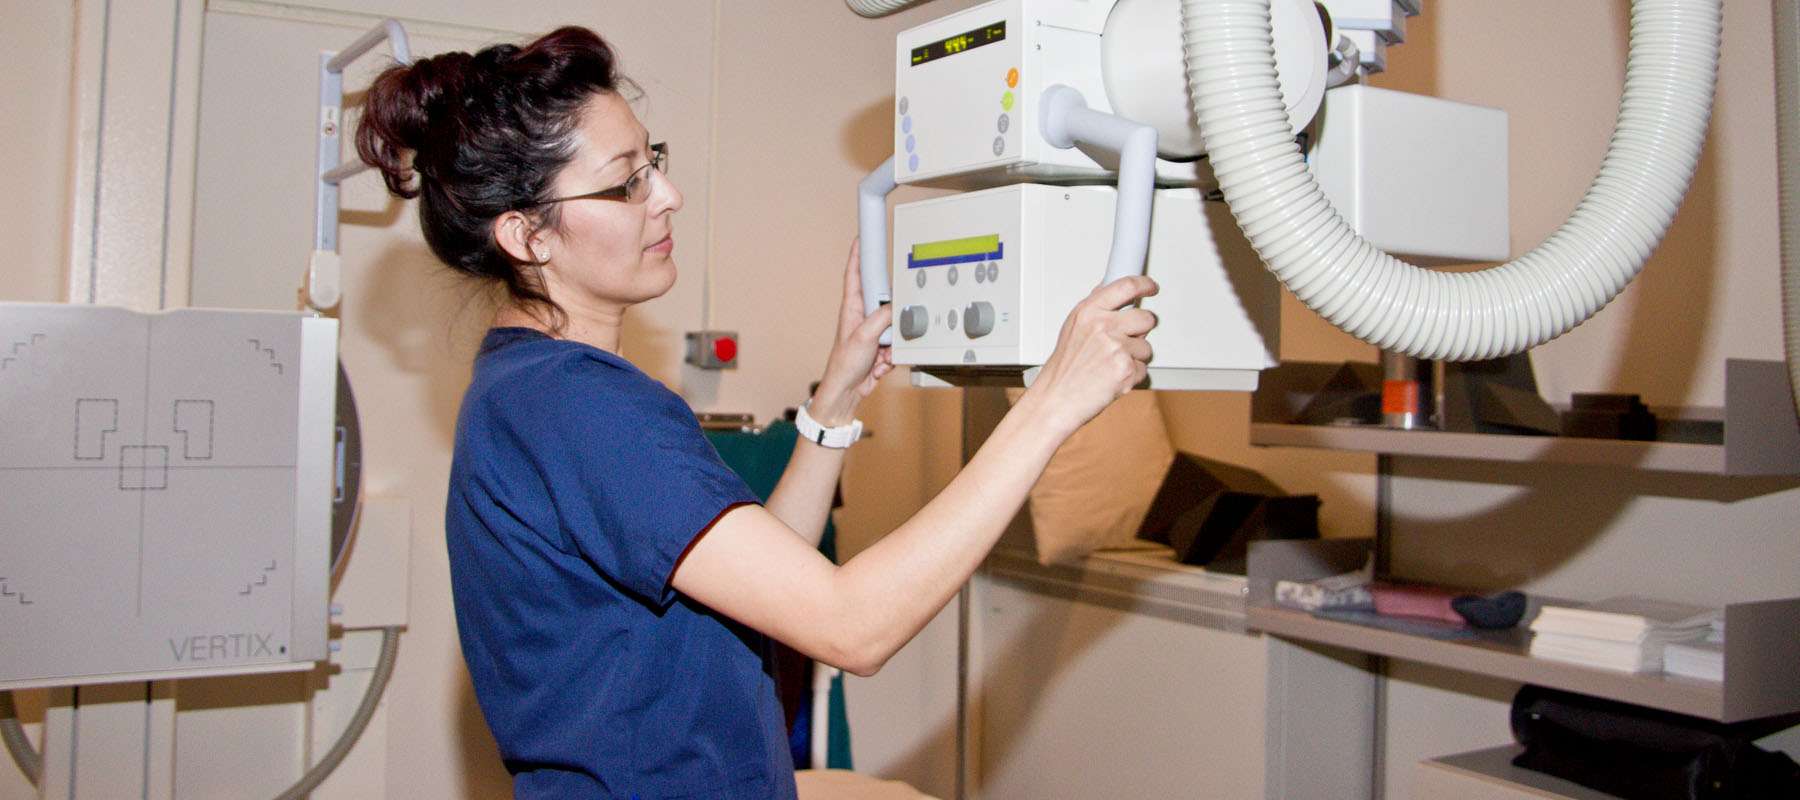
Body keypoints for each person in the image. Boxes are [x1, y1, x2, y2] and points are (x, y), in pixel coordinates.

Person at [357, 26, 1158, 800]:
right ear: (526, 235)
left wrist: (834, 399)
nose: (667, 196)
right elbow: (852, 627)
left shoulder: (527, 390)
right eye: (627, 179)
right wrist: (1052, 401)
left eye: (654, 160)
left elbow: (761, 568)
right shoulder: (580, 408)